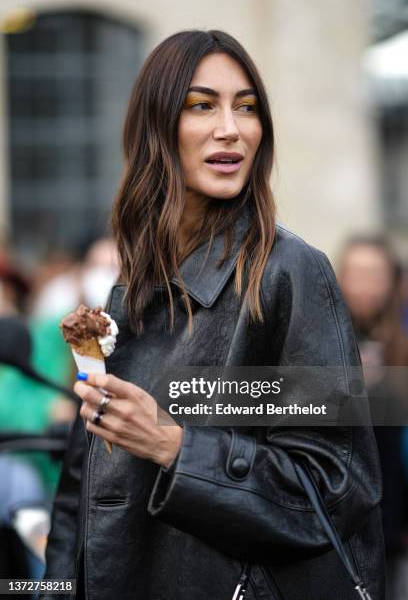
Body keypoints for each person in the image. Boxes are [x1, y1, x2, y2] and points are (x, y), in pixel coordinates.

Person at [40, 30, 385, 600]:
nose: (232, 128)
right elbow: (86, 486)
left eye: (246, 108)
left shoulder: (292, 273)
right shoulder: (134, 282)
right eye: (203, 105)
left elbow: (337, 488)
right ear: (157, 127)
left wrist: (175, 447)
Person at [337, 235, 408, 600]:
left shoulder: (401, 345)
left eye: (375, 274)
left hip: (392, 520)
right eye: (357, 273)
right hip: (339, 518)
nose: (365, 284)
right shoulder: (324, 339)